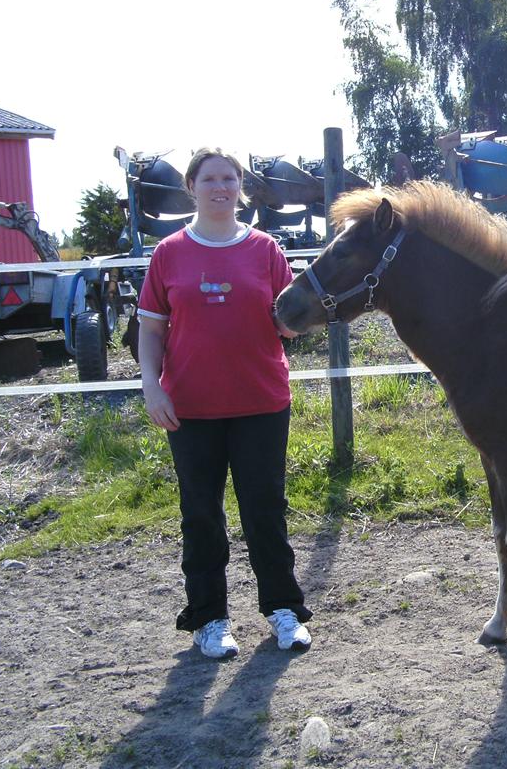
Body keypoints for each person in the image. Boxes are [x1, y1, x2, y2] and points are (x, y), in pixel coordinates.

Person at [137, 147, 311, 659]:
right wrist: (151, 384)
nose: (221, 187)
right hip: (189, 407)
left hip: (261, 401)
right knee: (201, 515)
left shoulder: (266, 250)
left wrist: (302, 315)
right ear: (191, 186)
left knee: (265, 510)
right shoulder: (168, 253)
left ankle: (283, 610)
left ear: (241, 187)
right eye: (210, 178)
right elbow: (151, 328)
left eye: (230, 179)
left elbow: (290, 321)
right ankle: (209, 618)